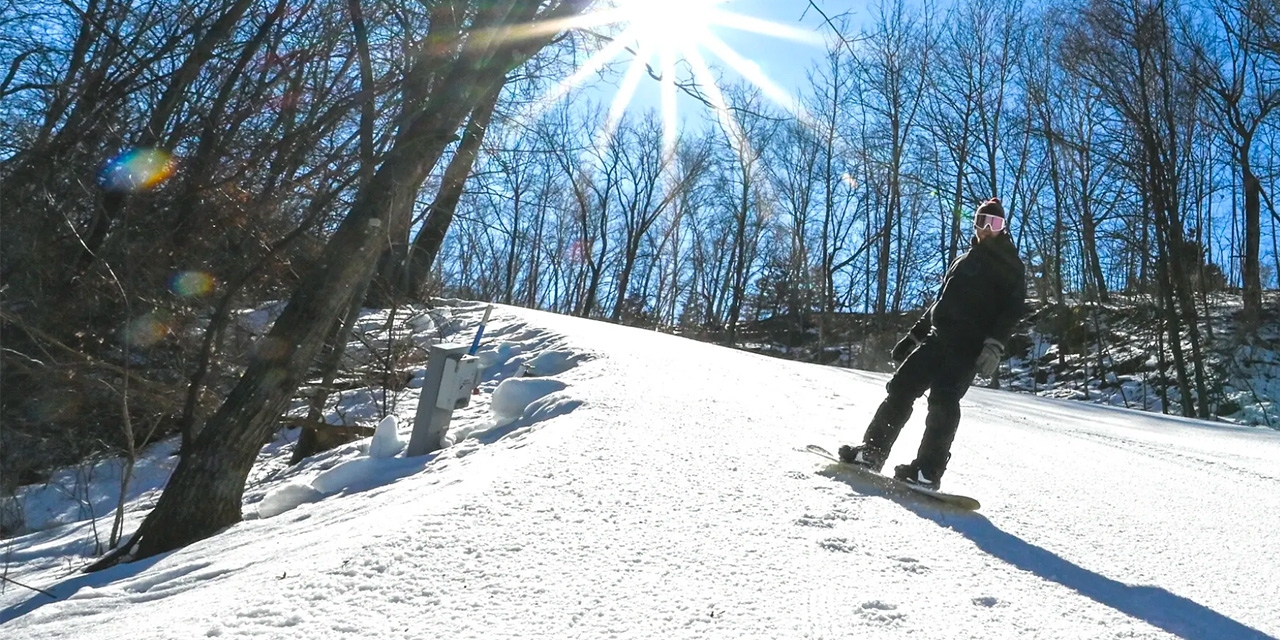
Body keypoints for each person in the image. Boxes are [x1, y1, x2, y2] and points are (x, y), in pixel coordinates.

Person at [839, 198, 1026, 490]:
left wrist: (994, 345)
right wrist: (912, 337)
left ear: (1003, 228)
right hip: (936, 340)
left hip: (968, 348)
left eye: (995, 224)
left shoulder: (1010, 265)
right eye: (982, 222)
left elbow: (1012, 310)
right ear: (975, 225)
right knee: (900, 389)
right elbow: (939, 304)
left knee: (943, 401)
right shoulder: (962, 261)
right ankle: (872, 452)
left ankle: (927, 470)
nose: (987, 229)